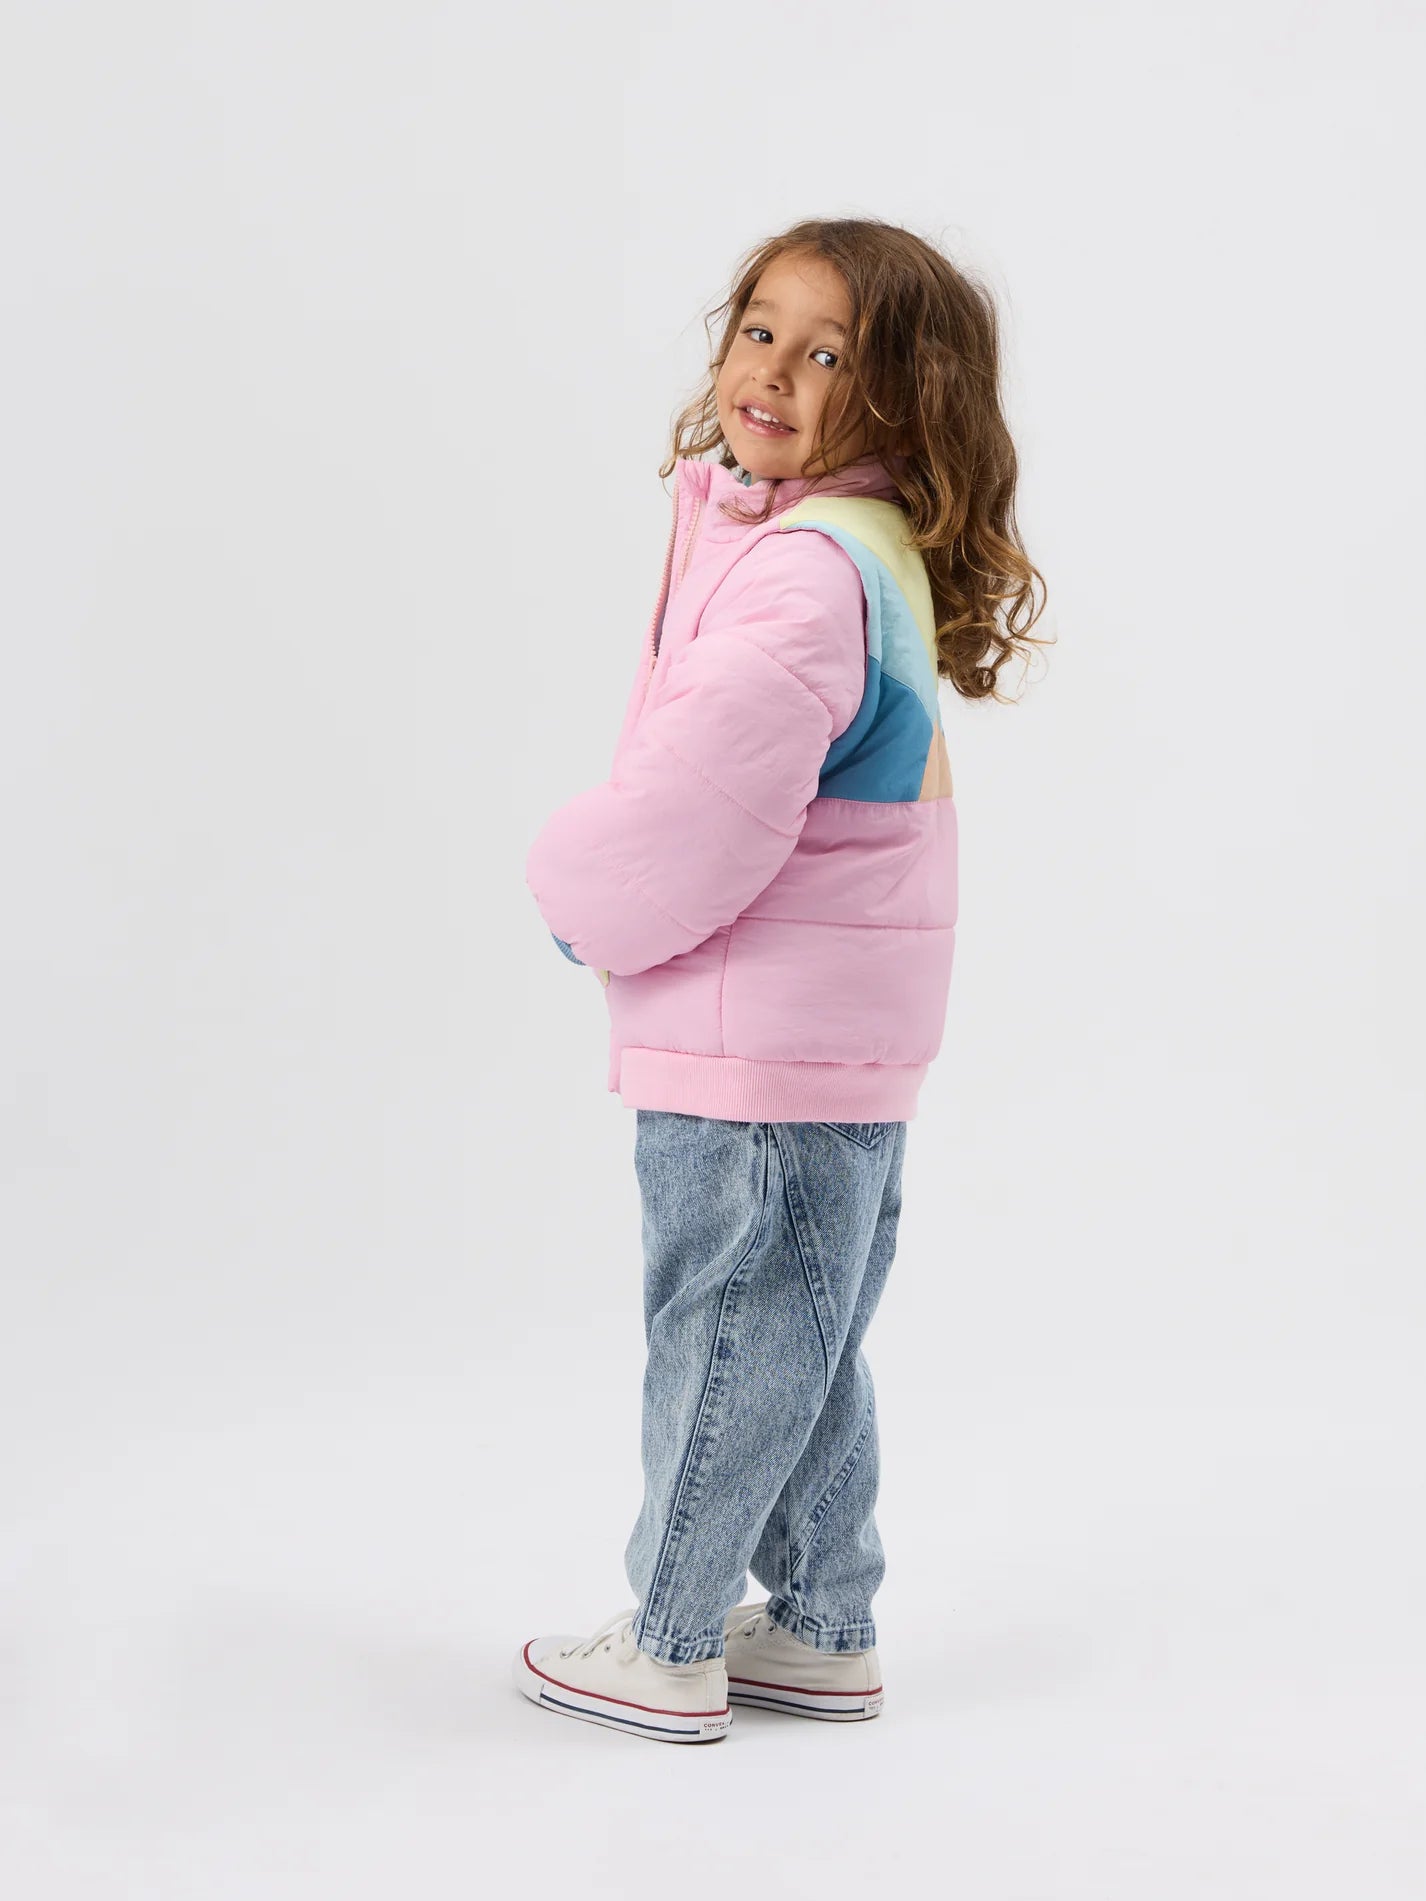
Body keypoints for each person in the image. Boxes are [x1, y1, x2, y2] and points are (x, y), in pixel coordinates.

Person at [515, 218, 1049, 1743]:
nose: (775, 372)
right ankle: (820, 1619)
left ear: (904, 400)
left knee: (727, 1335)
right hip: (830, 1031)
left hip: (757, 1031)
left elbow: (697, 815)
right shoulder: (841, 544)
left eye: (830, 356)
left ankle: (673, 1639)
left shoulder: (802, 576)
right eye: (761, 331)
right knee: (798, 1332)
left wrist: (575, 897)